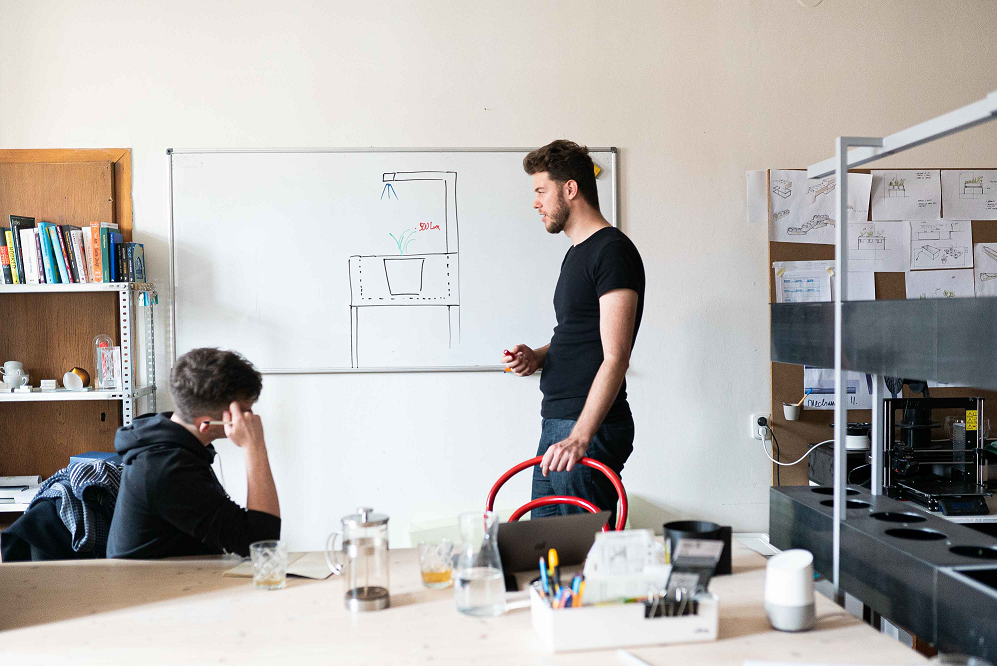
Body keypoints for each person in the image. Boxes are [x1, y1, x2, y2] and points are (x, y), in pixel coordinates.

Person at [505, 140, 644, 526]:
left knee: (587, 551)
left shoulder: (612, 251)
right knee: (547, 546)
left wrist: (581, 437)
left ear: (570, 189)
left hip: (587, 429)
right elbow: (579, 336)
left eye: (541, 191)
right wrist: (536, 356)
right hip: (558, 422)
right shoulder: (576, 253)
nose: (536, 203)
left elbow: (616, 356)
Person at [106, 348, 280, 558]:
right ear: (205, 424)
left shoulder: (174, 444)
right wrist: (254, 446)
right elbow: (260, 543)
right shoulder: (167, 469)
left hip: (188, 571)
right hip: (156, 579)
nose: (251, 418)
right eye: (244, 412)